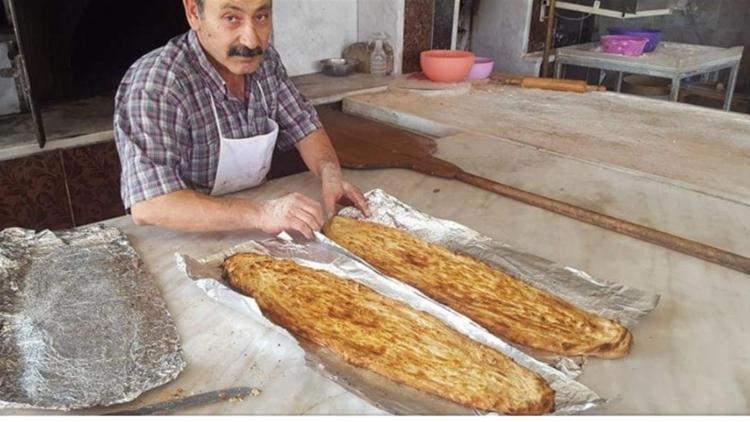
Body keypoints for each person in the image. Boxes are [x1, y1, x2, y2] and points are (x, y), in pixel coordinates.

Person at [114, 0, 369, 239]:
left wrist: (330, 173)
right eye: (231, 18)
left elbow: (304, 125)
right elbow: (150, 205)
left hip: (256, 228)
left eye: (261, 16)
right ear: (193, 12)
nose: (251, 39)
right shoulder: (158, 82)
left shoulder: (265, 62)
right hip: (184, 239)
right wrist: (263, 214)